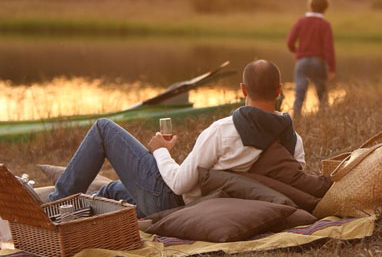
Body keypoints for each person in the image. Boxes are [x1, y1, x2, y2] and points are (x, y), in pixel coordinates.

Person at [48, 60, 306, 218]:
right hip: (206, 203)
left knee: (104, 128)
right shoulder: (293, 140)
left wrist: (161, 151)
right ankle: (81, 205)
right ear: (279, 91)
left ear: (243, 90)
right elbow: (290, 183)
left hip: (170, 202)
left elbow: (180, 185)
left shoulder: (223, 131)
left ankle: (51, 205)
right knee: (113, 190)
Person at [286, 0, 336, 117]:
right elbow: (328, 49)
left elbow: (290, 42)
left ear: (310, 5)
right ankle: (324, 121)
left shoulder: (301, 22)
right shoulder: (325, 25)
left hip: (302, 62)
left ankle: (296, 122)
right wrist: (332, 69)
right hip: (319, 62)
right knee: (322, 96)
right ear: (325, 8)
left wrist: (297, 53)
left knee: (299, 95)